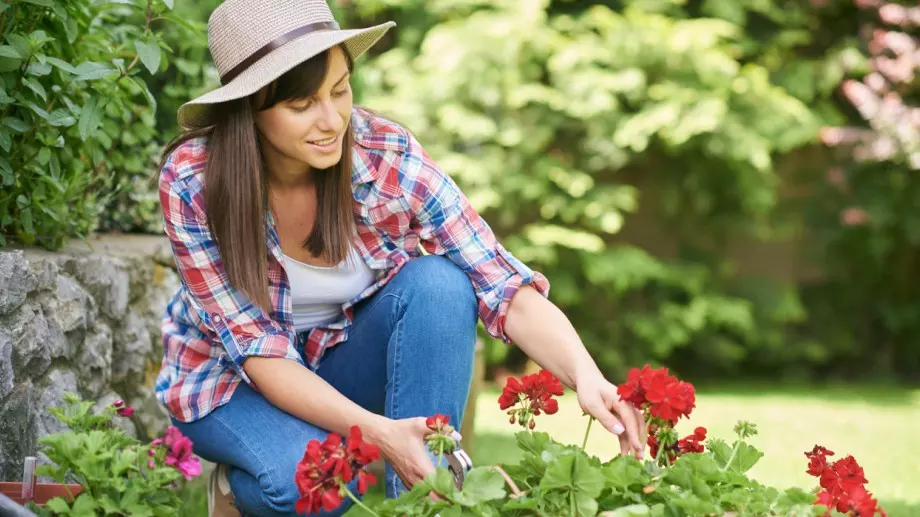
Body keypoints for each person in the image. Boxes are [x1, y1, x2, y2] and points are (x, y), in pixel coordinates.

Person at [153, 0, 645, 515]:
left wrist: (587, 375)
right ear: (249, 109)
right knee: (315, 486)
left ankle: (420, 503)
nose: (331, 121)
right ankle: (241, 485)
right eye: (302, 105)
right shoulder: (193, 183)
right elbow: (261, 354)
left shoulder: (385, 154)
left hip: (340, 365)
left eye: (340, 90)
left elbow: (499, 281)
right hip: (231, 385)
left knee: (440, 284)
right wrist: (381, 435)